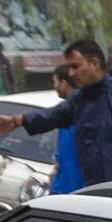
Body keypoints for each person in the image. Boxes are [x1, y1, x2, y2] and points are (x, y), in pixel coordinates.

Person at [0, 39, 112, 185]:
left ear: (94, 63)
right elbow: (51, 116)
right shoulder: (80, 100)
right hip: (94, 193)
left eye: (75, 66)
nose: (71, 73)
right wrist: (18, 120)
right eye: (69, 68)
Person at [45, 64, 85, 195]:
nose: (54, 86)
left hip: (74, 187)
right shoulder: (67, 111)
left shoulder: (80, 110)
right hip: (62, 184)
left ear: (63, 82)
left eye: (54, 81)